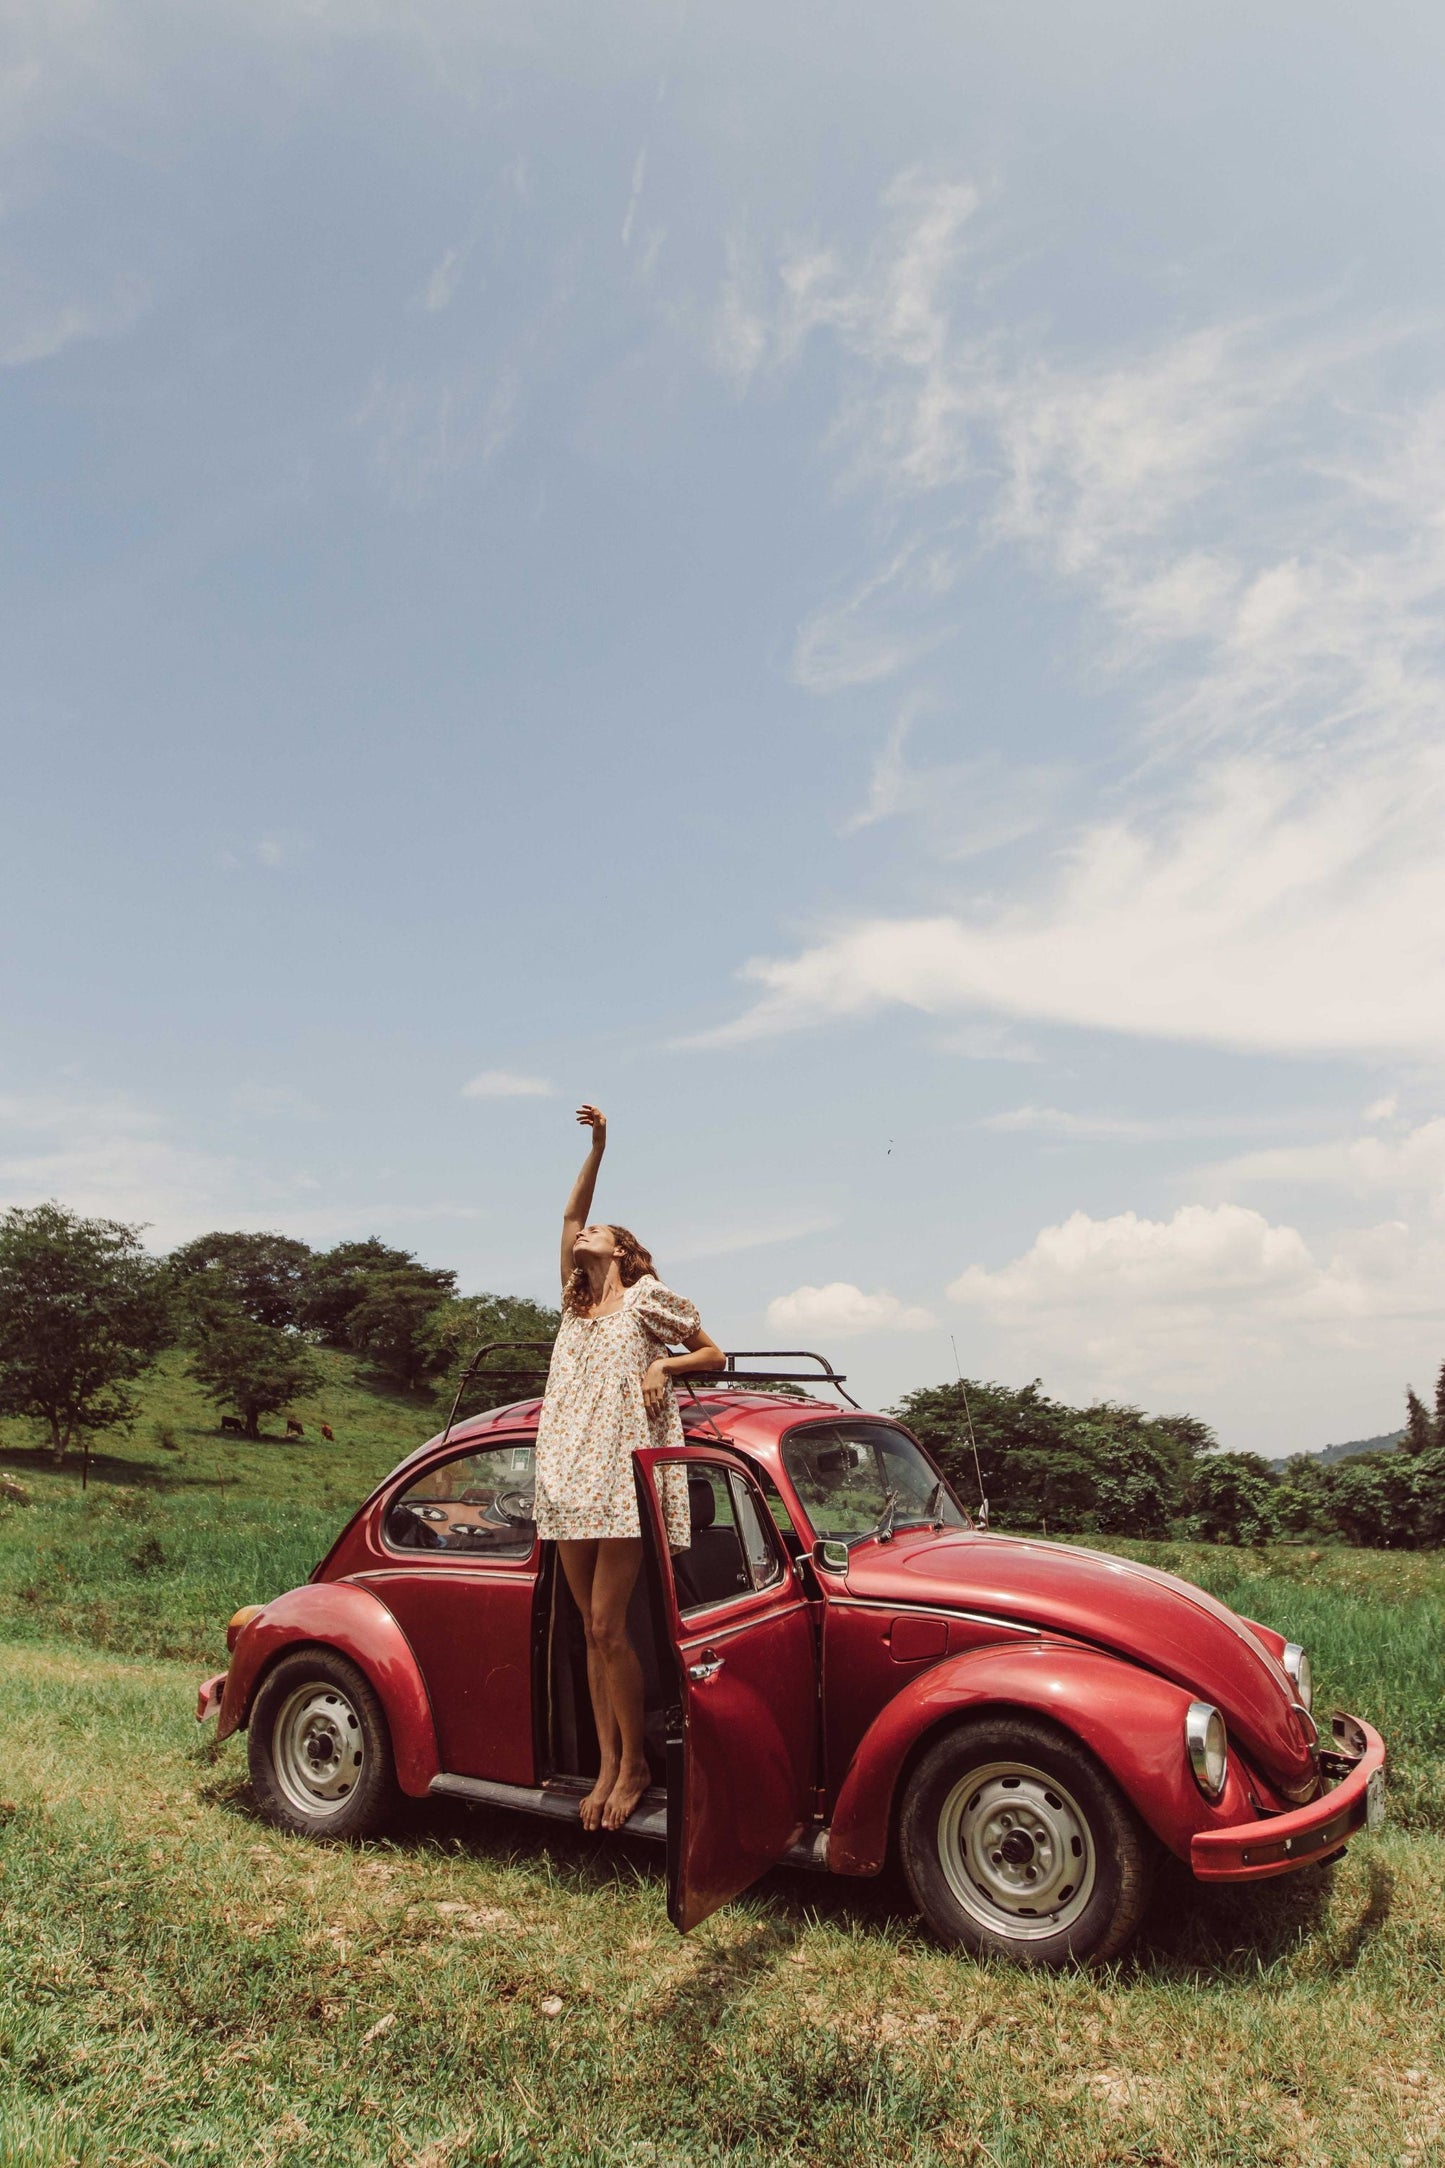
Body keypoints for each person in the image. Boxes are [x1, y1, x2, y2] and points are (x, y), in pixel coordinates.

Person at [534, 1104, 725, 1831]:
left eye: (598, 1232)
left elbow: (714, 1354)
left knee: (610, 1626)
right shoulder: (572, 1300)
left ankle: (633, 1767)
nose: (585, 1232)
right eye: (584, 1232)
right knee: (589, 1629)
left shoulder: (647, 1300)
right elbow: (568, 1210)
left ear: (621, 1250)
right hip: (567, 1474)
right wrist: (597, 1147)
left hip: (621, 1473)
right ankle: (608, 1764)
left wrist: (667, 1367)